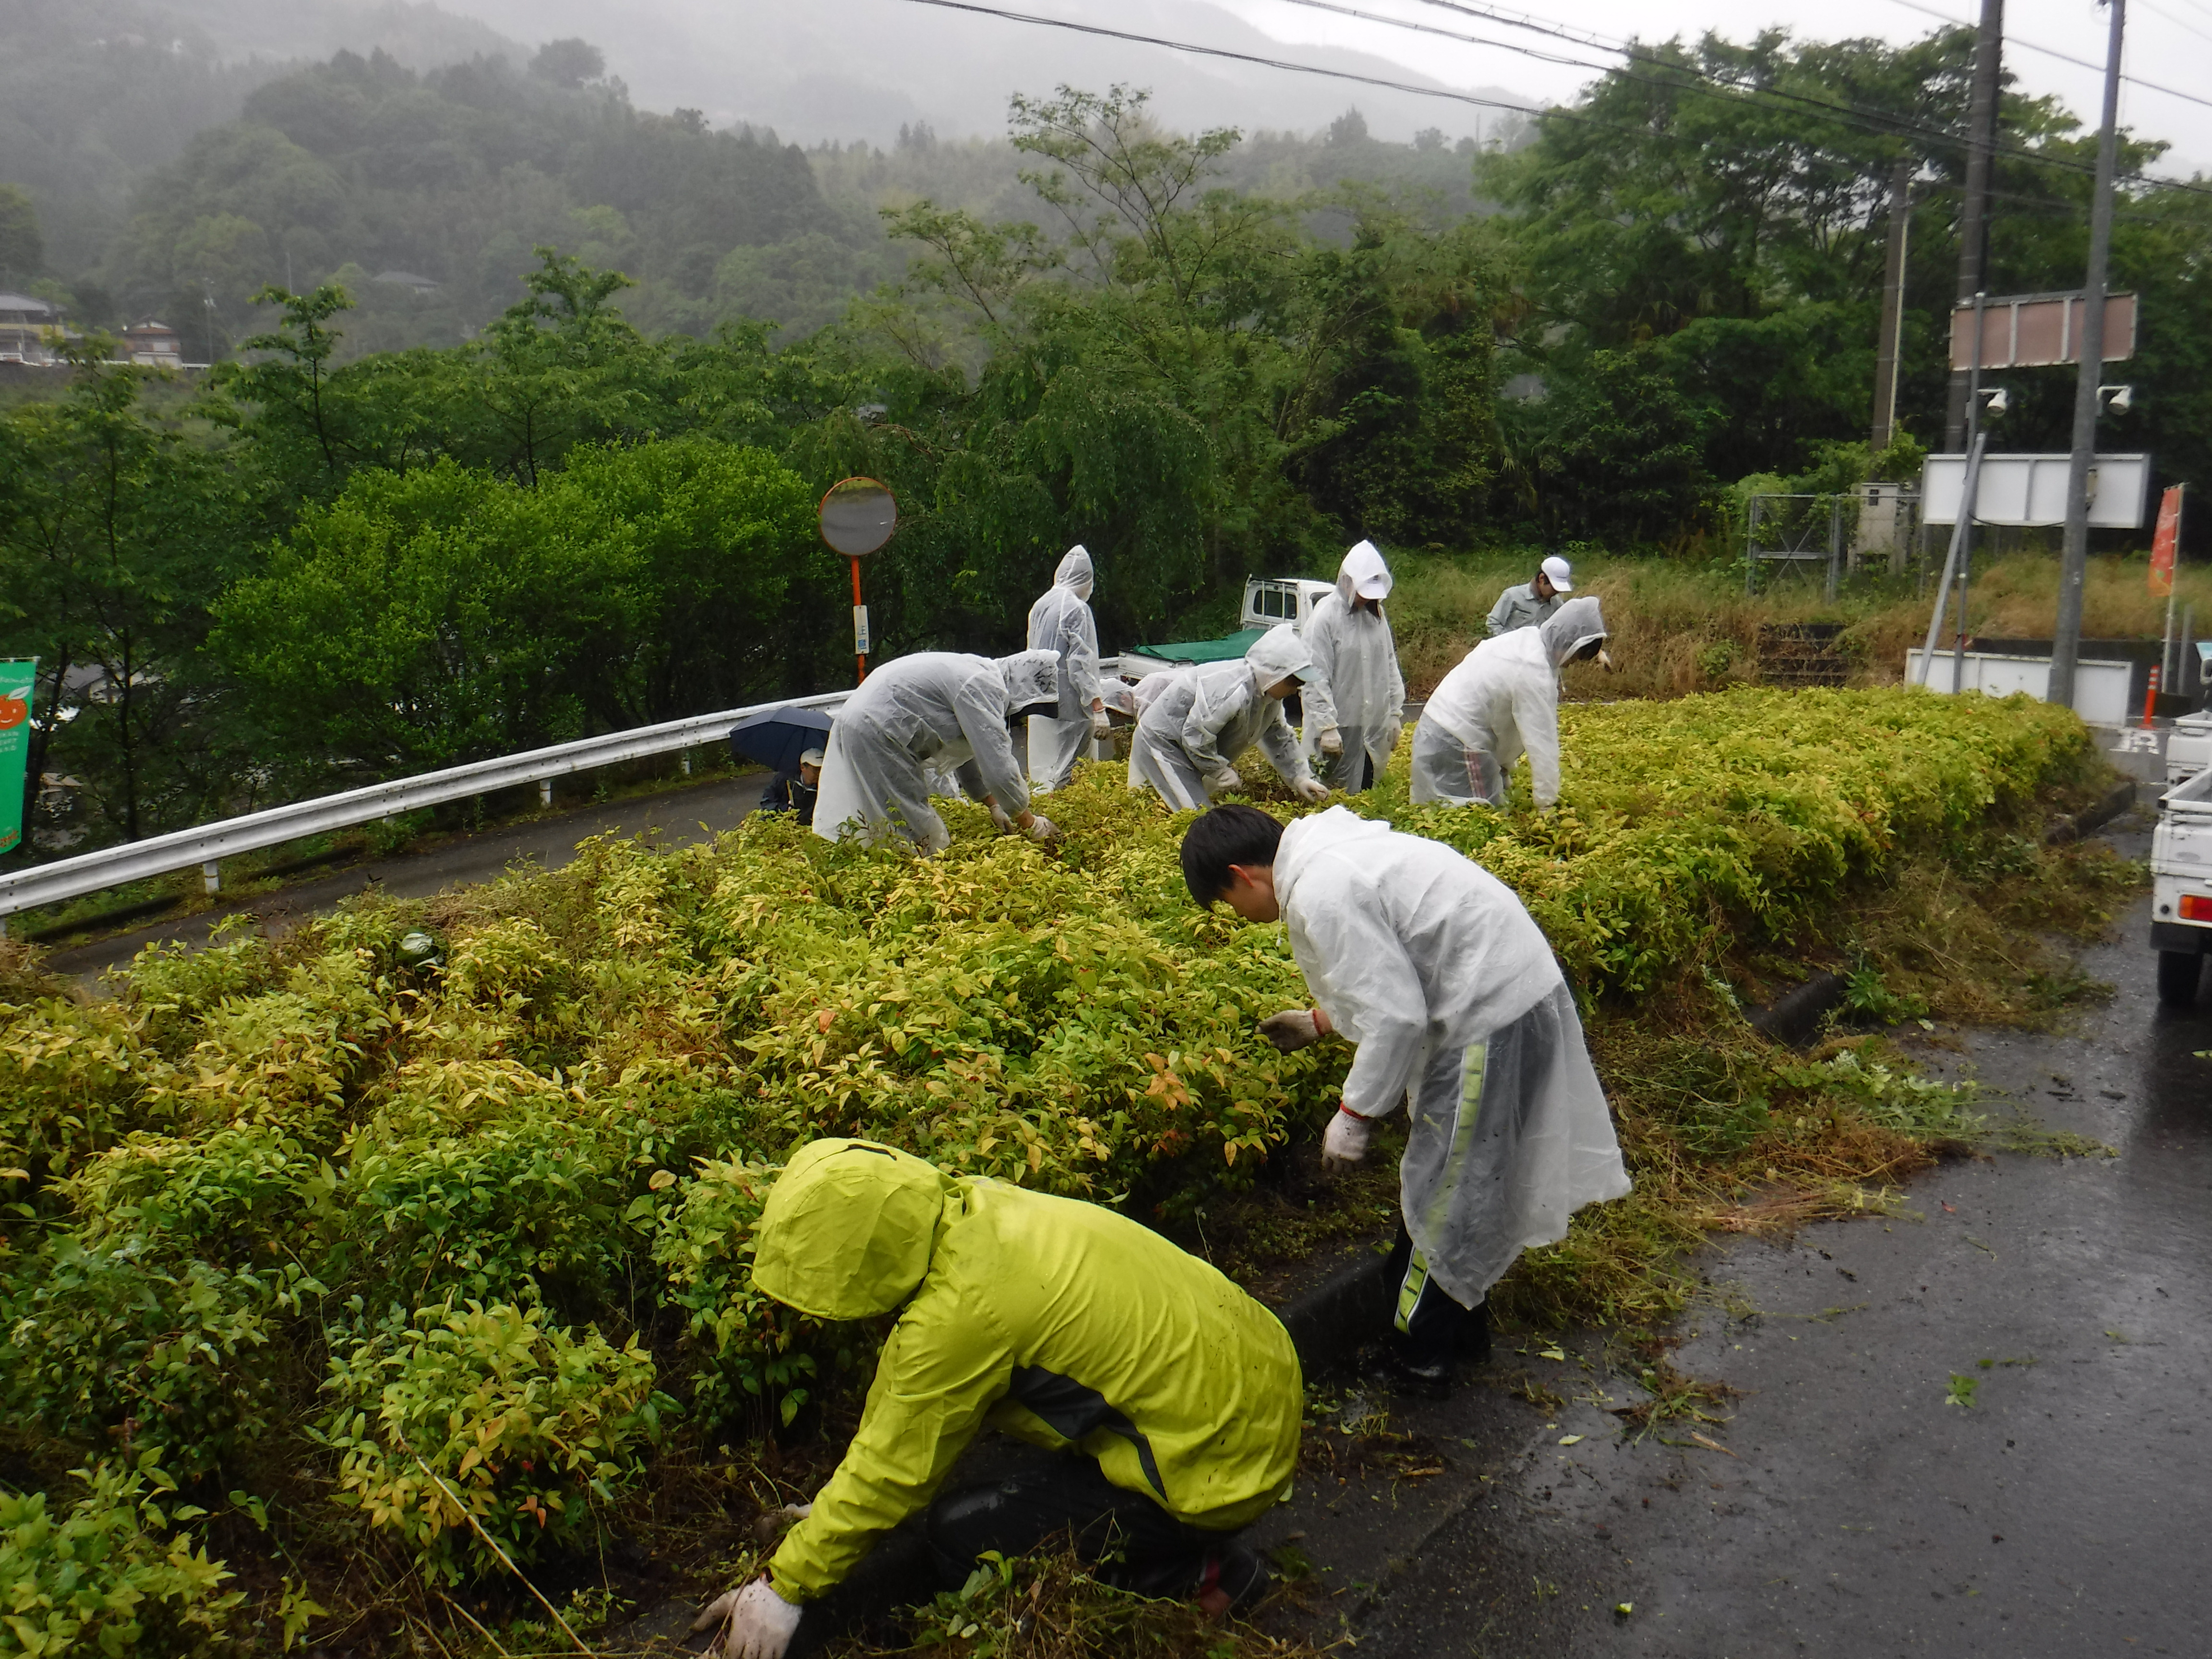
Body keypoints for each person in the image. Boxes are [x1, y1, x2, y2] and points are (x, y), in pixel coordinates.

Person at [690, 1138, 1303, 1659]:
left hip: (1216, 1467)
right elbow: (904, 1402)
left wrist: (785, 1586)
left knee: (959, 1534)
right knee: (1009, 1482)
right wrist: (830, 1513)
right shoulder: (973, 1209)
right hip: (1253, 1385)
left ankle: (1199, 1575)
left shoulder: (964, 1315)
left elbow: (896, 1465)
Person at [1178, 805, 1629, 1397]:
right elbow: (1400, 966)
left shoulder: (1322, 888)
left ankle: (1419, 1355)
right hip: (1506, 1002)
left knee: (1442, 1193)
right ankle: (1461, 1336)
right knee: (1465, 1183)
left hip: (1487, 1021)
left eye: (1228, 903)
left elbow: (1396, 1015)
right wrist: (1321, 1022)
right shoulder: (1330, 853)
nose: (1239, 917)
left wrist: (1354, 1116)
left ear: (1242, 875)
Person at [813, 651, 1064, 854]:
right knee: (919, 836)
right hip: (880, 730)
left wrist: (993, 804)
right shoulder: (983, 686)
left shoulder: (977, 674)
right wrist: (1030, 823)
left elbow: (971, 755)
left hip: (868, 724)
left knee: (884, 823)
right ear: (1024, 689)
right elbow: (997, 764)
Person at [1410, 597, 1611, 812]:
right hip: (1457, 743)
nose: (1571, 664)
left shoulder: (1528, 639)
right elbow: (1541, 741)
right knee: (1482, 818)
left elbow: (1501, 710)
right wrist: (1546, 803)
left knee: (1435, 813)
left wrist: (1504, 767)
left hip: (1437, 729)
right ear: (1568, 642)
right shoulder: (1534, 669)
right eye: (1576, 656)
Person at [1128, 625, 1330, 811]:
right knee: (1194, 815)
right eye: (1293, 681)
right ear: (1273, 673)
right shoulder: (1233, 689)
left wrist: (1301, 777)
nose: (1296, 690)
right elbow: (1195, 736)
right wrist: (1221, 771)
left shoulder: (1269, 697)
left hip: (1186, 750)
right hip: (1163, 743)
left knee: (1195, 812)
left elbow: (1279, 737)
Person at [1298, 540, 1406, 795]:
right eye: (1361, 592)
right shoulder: (1325, 618)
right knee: (1331, 797)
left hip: (1372, 729)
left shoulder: (1376, 616)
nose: (1365, 599)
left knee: (1367, 795)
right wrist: (1327, 727)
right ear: (1346, 582)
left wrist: (1394, 713)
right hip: (1338, 731)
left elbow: (1389, 663)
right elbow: (1314, 675)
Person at [1026, 546, 1111, 793]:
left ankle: (1044, 803)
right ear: (1085, 579)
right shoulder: (1076, 609)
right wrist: (1097, 707)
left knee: (1046, 763)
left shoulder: (1041, 605)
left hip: (1041, 696)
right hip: (1071, 702)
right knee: (1071, 768)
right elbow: (1081, 664)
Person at [1485, 554, 1575, 637]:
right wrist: (1508, 642)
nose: (1557, 592)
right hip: (1511, 651)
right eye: (1554, 588)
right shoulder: (1512, 596)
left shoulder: (1557, 603)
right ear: (1542, 579)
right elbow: (1493, 623)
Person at [757, 747, 823, 826]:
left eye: (822, 769)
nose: (820, 774)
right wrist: (786, 809)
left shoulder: (825, 786)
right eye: (816, 770)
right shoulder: (785, 779)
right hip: (783, 826)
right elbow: (767, 803)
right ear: (803, 767)